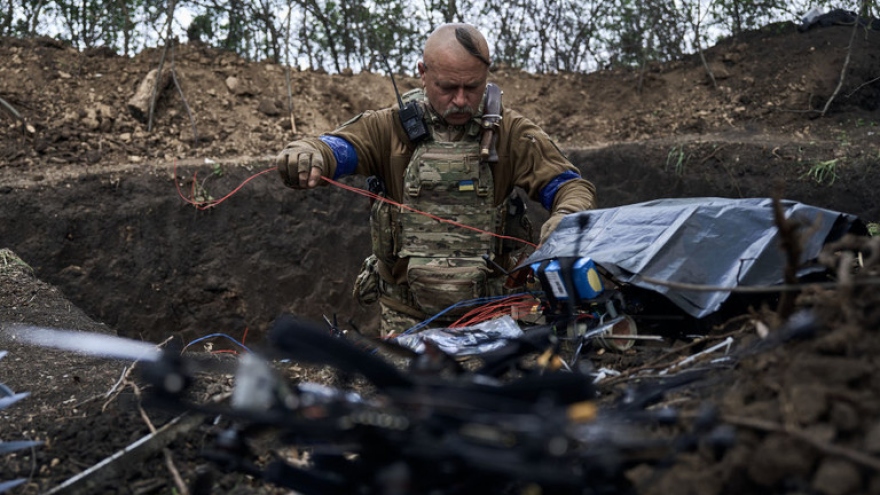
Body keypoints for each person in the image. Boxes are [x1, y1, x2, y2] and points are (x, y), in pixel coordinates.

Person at [276, 23, 597, 336]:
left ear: (486, 75)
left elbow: (568, 185)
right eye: (447, 87)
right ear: (423, 73)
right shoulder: (389, 128)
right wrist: (310, 155)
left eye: (472, 87)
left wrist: (567, 216)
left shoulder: (510, 132)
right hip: (406, 319)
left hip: (493, 315)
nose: (460, 100)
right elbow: (338, 149)